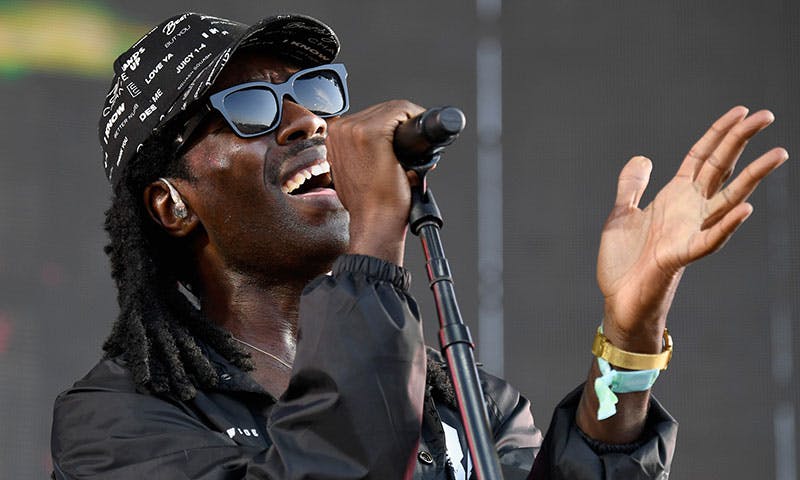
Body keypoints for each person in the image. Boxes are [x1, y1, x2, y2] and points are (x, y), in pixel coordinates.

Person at [50, 12, 787, 480]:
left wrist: (630, 334)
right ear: (173, 203)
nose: (307, 121)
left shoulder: (466, 404)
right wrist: (375, 233)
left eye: (317, 91)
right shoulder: (115, 424)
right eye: (250, 107)